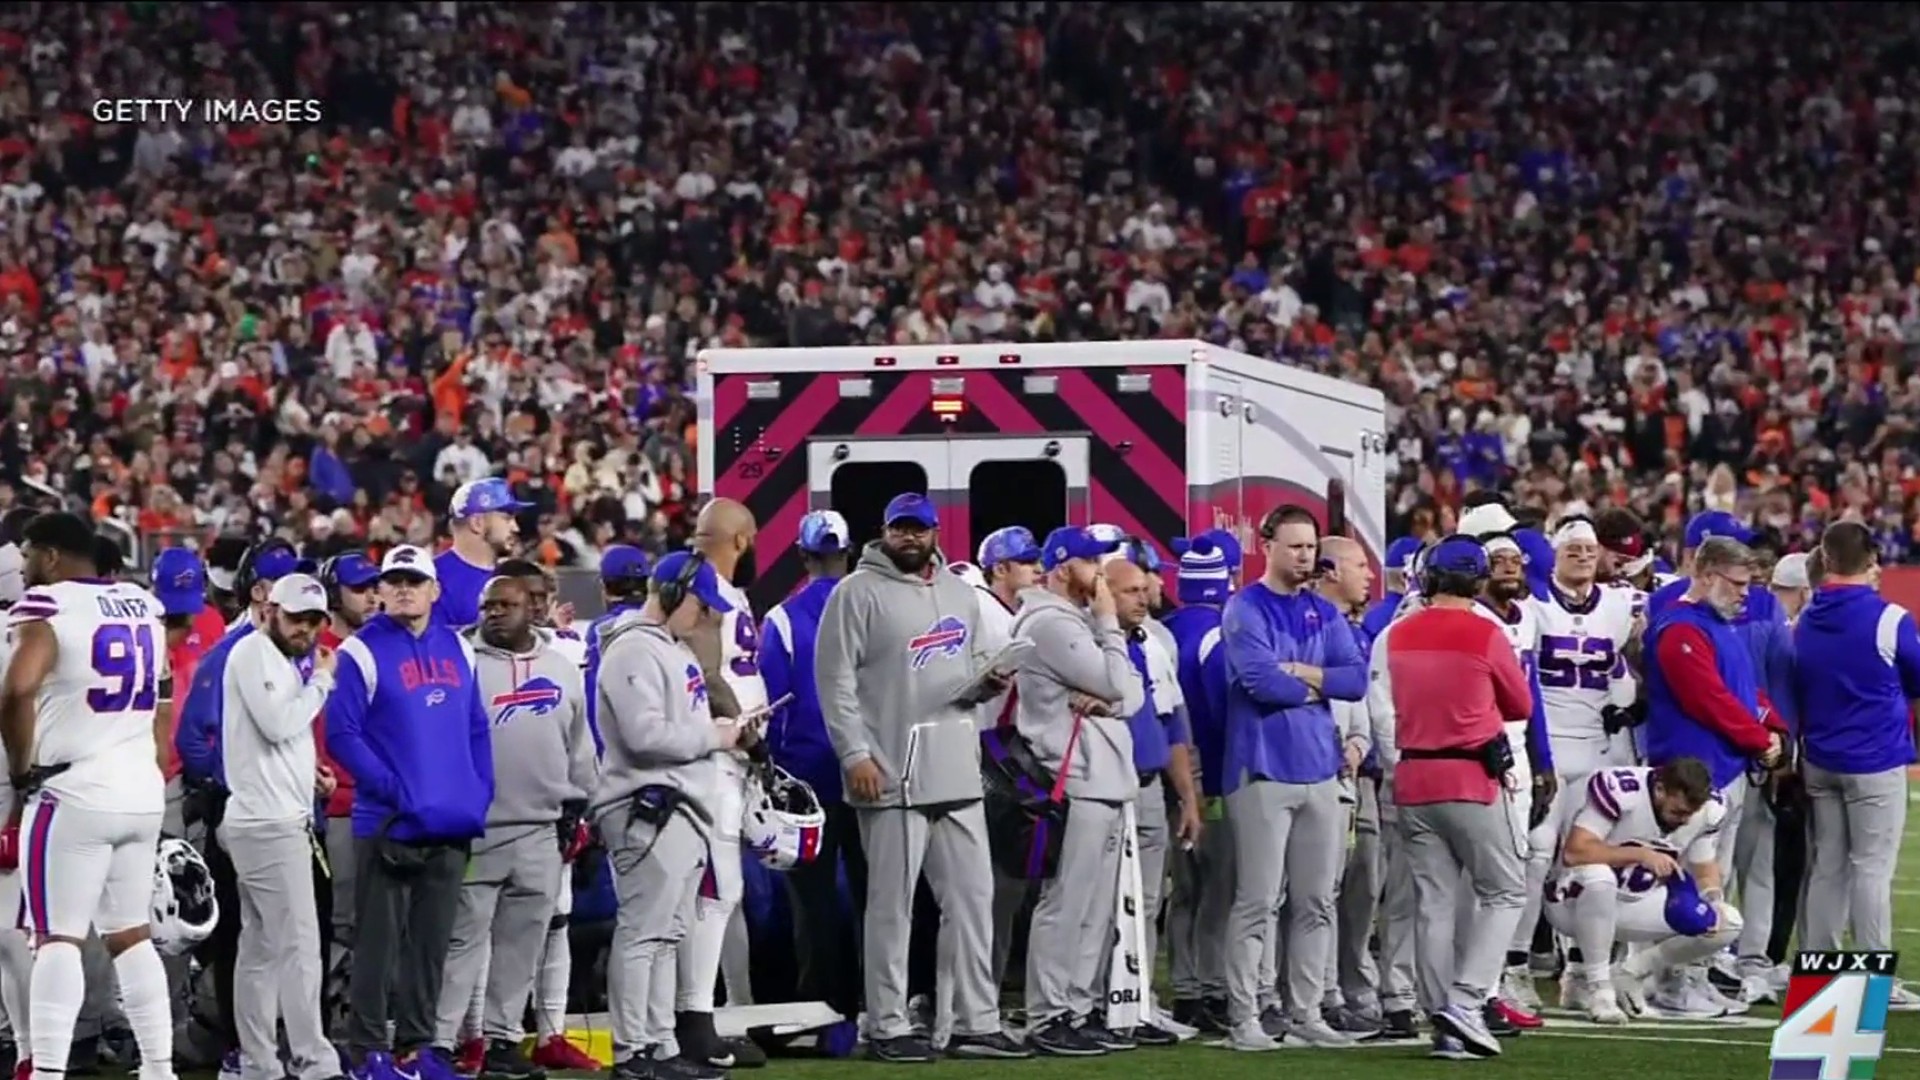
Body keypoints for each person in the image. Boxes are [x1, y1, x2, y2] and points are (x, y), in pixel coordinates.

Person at [814, 493, 1024, 1064]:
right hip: (889, 774)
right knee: (890, 907)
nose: (911, 538)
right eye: (900, 529)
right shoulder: (854, 594)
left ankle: (971, 1020)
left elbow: (973, 657)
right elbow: (833, 681)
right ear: (884, 532)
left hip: (956, 768)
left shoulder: (960, 591)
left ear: (935, 532)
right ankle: (886, 1022)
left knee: (974, 901)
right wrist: (854, 754)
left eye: (920, 529)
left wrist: (988, 681)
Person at [0, 512, 179, 1080]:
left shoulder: (47, 607)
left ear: (50, 555)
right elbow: (163, 696)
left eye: (28, 554)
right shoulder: (143, 603)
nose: (23, 566)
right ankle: (159, 1068)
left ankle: (47, 1071)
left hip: (73, 789)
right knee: (131, 937)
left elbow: (17, 688)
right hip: (138, 787)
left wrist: (23, 769)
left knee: (57, 938)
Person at [324, 545, 494, 1080]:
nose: (403, 589)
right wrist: (392, 791)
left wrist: (479, 790)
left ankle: (420, 1047)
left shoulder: (459, 649)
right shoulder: (360, 651)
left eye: (413, 580)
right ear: (380, 589)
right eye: (393, 581)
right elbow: (341, 735)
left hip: (450, 819)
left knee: (430, 944)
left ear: (434, 589)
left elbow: (476, 727)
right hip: (388, 822)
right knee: (377, 942)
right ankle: (368, 1050)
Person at [1367, 535, 1534, 1060]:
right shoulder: (1486, 633)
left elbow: (1382, 709)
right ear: (1480, 581)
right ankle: (1465, 1002)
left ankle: (1444, 1018)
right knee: (1506, 890)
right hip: (1470, 777)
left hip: (1413, 777)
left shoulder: (1396, 634)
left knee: (1432, 903)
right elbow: (1520, 703)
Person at [589, 550, 747, 1080]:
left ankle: (658, 1047)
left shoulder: (667, 648)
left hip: (679, 807)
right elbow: (644, 736)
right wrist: (716, 736)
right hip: (648, 806)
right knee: (644, 933)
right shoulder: (633, 649)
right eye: (702, 605)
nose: (705, 617)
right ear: (675, 594)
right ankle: (632, 1051)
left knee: (666, 935)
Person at [435, 575, 597, 1078]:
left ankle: (505, 1041)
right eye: (489, 605)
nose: (495, 613)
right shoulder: (459, 661)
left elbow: (580, 747)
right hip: (477, 828)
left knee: (522, 943)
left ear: (534, 608)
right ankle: (442, 1041)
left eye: (507, 604)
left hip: (542, 828)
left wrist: (582, 807)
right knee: (462, 942)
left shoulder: (561, 668)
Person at [1218, 506, 1367, 1051]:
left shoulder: (1321, 611)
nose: (1307, 556)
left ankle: (1305, 1012)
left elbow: (1355, 682)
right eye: (1297, 546)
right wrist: (1321, 685)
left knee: (1315, 902)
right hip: (1261, 768)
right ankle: (1245, 1017)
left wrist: (1306, 676)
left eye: (1311, 548)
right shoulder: (1244, 608)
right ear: (1268, 545)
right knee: (1258, 900)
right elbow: (1260, 684)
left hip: (1319, 769)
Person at [1641, 535, 1785, 1016]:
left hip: (1721, 767)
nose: (1746, 593)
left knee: (1712, 879)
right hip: (1695, 773)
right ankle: (1672, 980)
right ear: (1705, 576)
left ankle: (1693, 974)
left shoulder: (1714, 625)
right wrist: (1759, 737)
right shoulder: (1682, 628)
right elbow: (1707, 698)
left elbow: (1742, 693)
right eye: (1738, 582)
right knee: (1689, 878)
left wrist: (1772, 727)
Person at [1010, 526, 1140, 1056]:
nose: (1101, 575)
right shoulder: (1049, 624)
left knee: (1093, 908)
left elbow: (1129, 695)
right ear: (1065, 568)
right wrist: (1109, 622)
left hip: (1101, 775)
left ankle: (1078, 1008)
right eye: (1092, 565)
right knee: (1065, 903)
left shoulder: (1074, 622)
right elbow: (1116, 684)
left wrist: (1111, 692)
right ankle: (1048, 1014)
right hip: (1074, 777)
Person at [1507, 516, 1641, 1011]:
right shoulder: (1533, 607)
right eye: (1573, 549)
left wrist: (1634, 701)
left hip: (1599, 752)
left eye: (1590, 548)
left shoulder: (1622, 605)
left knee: (1590, 861)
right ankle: (1514, 963)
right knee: (1536, 855)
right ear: (1555, 555)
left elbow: (1643, 655)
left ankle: (1585, 970)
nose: (1584, 556)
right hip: (1548, 750)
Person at [1790, 521, 1920, 1006]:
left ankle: (1820, 971)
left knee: (1828, 867)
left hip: (1820, 757)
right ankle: (1872, 981)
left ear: (1824, 560)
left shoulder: (1805, 618)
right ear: (1871, 564)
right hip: (1874, 759)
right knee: (1870, 870)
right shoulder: (1889, 618)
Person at [216, 573, 339, 1080]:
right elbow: (277, 723)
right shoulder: (251, 653)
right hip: (268, 826)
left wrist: (306, 775)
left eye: (314, 621)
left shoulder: (280, 661)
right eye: (296, 618)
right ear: (270, 611)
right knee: (298, 947)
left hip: (269, 818)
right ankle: (314, 1062)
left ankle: (259, 1062)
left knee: (263, 950)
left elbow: (268, 735)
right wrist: (323, 681)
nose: (305, 630)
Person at [481, 560, 599, 1073]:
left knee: (555, 921)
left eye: (538, 595)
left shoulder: (566, 652)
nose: (533, 604)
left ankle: (549, 1030)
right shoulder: (474, 655)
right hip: (494, 820)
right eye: (522, 595)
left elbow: (582, 738)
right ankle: (474, 1035)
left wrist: (584, 807)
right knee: (483, 932)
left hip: (555, 812)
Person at [759, 511, 862, 1024]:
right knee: (876, 896)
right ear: (848, 553)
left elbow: (774, 707)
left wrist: (772, 774)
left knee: (812, 903)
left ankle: (818, 1007)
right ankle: (876, 1002)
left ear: (802, 555)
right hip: (870, 773)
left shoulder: (781, 618)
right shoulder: (871, 609)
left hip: (807, 783)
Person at [1544, 759, 1741, 1023]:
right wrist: (1639, 854)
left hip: (1636, 902)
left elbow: (1705, 867)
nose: (1683, 821)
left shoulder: (1709, 810)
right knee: (1600, 878)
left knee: (1728, 922)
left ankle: (1629, 973)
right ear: (1659, 789)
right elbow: (1575, 852)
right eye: (1677, 811)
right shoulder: (1623, 790)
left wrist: (1712, 897)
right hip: (1572, 901)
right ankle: (1600, 990)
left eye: (1689, 815)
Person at [679, 499, 768, 1070]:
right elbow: (704, 669)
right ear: (742, 539)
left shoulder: (720, 586)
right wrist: (746, 731)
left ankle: (712, 1012)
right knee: (715, 889)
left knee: (722, 891)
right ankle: (693, 1018)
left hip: (730, 755)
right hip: (714, 757)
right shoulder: (704, 586)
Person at [1103, 554, 1196, 1046]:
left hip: (1149, 787)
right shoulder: (1096, 642)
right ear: (1105, 594)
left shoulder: (1154, 642)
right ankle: (1100, 1003)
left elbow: (1171, 721)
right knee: (1105, 905)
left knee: (1148, 903)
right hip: (1108, 790)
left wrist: (1187, 798)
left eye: (1144, 589)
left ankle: (1138, 1002)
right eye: (1129, 591)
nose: (1142, 598)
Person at [1467, 530, 1551, 1032]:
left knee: (1510, 877)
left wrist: (1544, 761)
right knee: (1477, 885)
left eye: (1514, 560)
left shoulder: (1529, 616)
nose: (1508, 567)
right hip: (1479, 751)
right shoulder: (1472, 618)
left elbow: (1530, 691)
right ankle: (1468, 991)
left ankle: (1489, 987)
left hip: (1516, 752)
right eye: (1496, 560)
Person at [1161, 530, 1240, 1034]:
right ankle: (1211, 989)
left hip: (1165, 775)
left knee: (1183, 890)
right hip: (1210, 775)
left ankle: (1185, 989)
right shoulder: (1221, 634)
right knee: (1220, 890)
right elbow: (1220, 713)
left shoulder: (1160, 630)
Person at [958, 527, 1040, 996]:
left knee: (1012, 884)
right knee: (992, 886)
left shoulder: (1016, 611)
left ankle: (995, 982)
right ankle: (978, 990)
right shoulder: (981, 608)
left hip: (1009, 758)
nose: (1036, 569)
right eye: (1026, 562)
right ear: (1000, 568)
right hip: (986, 757)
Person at [1316, 536, 1384, 1037]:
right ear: (1330, 571)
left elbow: (1359, 701)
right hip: (1313, 773)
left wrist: (1359, 745)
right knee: (1315, 893)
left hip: (1359, 777)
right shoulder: (1309, 624)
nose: (1369, 575)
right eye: (1360, 565)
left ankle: (1349, 984)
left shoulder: (1356, 631)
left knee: (1362, 885)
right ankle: (1318, 993)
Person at [313, 551, 380, 957]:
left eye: (375, 588)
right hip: (336, 806)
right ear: (334, 596)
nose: (371, 598)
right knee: (343, 926)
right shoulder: (316, 653)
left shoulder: (384, 645)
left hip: (379, 804)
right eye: (359, 589)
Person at [434, 479, 531, 630]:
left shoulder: (514, 577)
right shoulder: (432, 578)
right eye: (507, 518)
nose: (516, 528)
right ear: (477, 523)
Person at [585, 546, 655, 756]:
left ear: (604, 587)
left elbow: (593, 696)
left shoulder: (601, 630)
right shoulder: (665, 623)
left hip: (618, 749)